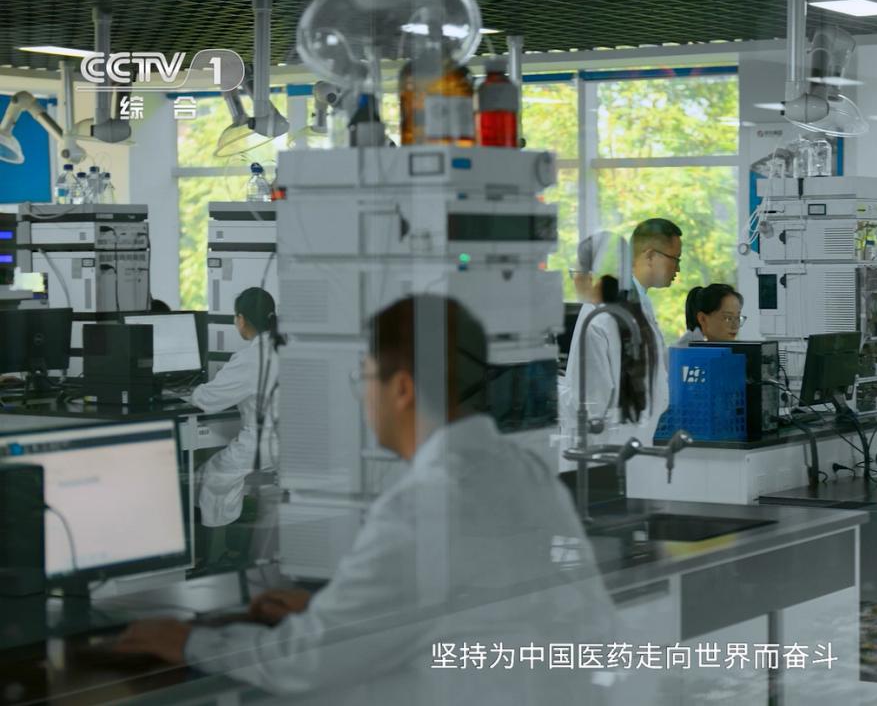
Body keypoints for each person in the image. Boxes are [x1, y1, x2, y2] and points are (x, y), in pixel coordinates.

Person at [116, 295, 616, 703]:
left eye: (365, 378)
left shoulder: (422, 503)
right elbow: (455, 601)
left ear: (401, 389)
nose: (360, 396)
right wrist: (328, 609)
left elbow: (305, 664)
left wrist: (190, 641)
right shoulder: (521, 470)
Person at [189, 287, 280, 533]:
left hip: (264, 445)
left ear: (240, 319)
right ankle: (237, 533)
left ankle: (218, 541)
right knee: (229, 473)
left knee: (211, 474)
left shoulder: (251, 358)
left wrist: (193, 391)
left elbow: (207, 400)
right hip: (297, 444)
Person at [560, 232, 658, 449]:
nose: (574, 279)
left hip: (600, 451)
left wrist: (554, 391)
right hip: (636, 444)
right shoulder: (640, 316)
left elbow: (589, 406)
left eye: (575, 272)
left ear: (592, 277)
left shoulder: (595, 322)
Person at [628, 218, 683, 432]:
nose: (678, 268)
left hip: (639, 428)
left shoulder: (640, 301)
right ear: (650, 256)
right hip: (621, 432)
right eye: (674, 259)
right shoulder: (618, 306)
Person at [677, 283, 745, 345]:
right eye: (728, 318)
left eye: (737, 317)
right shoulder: (686, 349)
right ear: (703, 319)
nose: (735, 326)